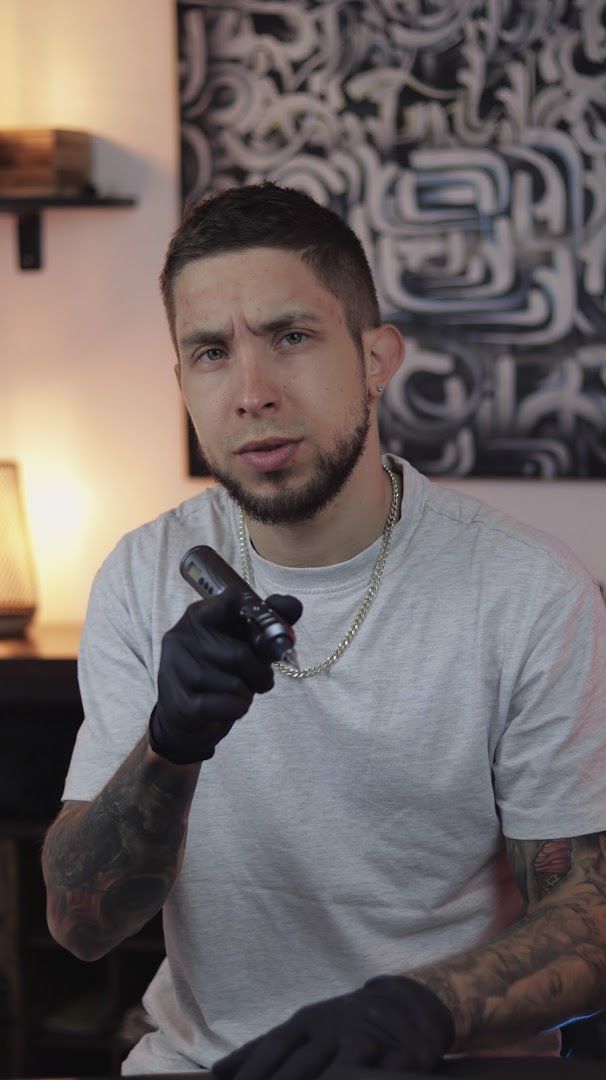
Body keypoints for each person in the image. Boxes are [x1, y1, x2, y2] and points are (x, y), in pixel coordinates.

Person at [42, 182, 606, 1077]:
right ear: (182, 380)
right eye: (211, 352)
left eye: (291, 337)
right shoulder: (142, 574)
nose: (253, 392)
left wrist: (424, 1006)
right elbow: (80, 925)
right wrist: (168, 746)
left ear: (377, 357)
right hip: (207, 1065)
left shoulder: (528, 592)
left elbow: (590, 915)